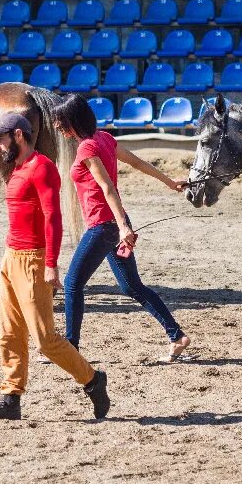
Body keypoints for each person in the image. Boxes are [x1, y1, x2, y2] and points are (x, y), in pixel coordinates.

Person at [0, 112, 110, 422]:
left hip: (34, 259)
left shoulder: (42, 168)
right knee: (9, 333)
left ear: (18, 135)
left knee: (46, 340)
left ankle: (92, 380)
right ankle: (11, 398)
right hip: (11, 257)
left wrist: (50, 265)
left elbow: (54, 218)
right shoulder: (17, 168)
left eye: (1, 137)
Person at [51, 95, 191, 363]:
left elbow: (107, 188)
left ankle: (70, 347)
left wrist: (123, 226)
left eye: (60, 121)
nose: (57, 127)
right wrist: (169, 182)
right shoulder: (104, 138)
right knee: (131, 287)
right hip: (113, 224)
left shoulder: (87, 148)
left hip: (104, 226)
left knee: (72, 284)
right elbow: (137, 162)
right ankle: (176, 335)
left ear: (72, 120)